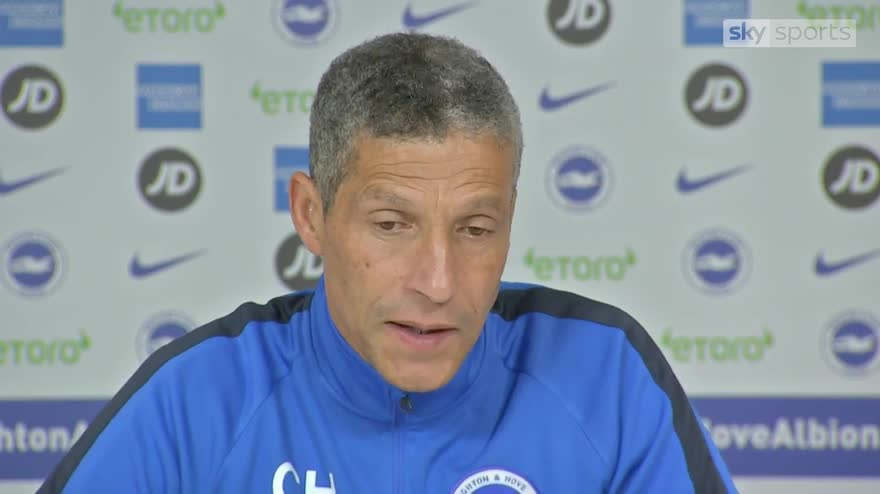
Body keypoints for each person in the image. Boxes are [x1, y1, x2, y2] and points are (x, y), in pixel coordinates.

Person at [39, 32, 738, 493]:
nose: (438, 282)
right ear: (311, 215)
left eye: (475, 229)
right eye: (391, 225)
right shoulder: (199, 398)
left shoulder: (605, 375)